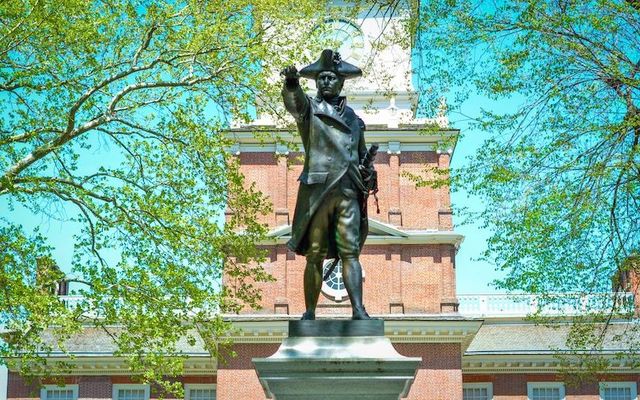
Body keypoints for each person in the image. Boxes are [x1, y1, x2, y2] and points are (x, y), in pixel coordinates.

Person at [281, 49, 373, 320]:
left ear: (341, 82)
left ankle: (358, 311)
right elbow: (294, 103)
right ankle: (309, 313)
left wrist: (369, 172)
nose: (326, 82)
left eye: (331, 77)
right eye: (321, 78)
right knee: (315, 253)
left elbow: (360, 154)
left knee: (350, 252)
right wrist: (291, 84)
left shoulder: (355, 120)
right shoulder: (310, 109)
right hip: (319, 189)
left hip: (348, 190)